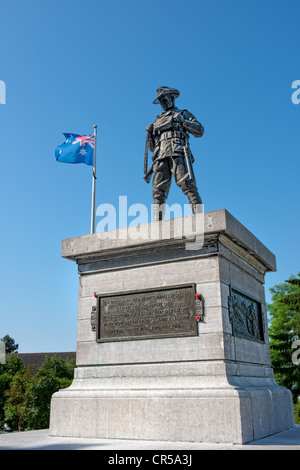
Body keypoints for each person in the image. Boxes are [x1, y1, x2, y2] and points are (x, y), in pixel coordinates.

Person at [144, 86, 204, 220]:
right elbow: (152, 147)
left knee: (188, 185)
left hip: (177, 151)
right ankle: (157, 223)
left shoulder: (182, 113)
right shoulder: (156, 121)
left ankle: (200, 218)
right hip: (160, 155)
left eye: (164, 99)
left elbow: (200, 130)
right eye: (160, 101)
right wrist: (149, 135)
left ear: (171, 98)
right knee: (158, 191)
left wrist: (183, 121)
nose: (162, 103)